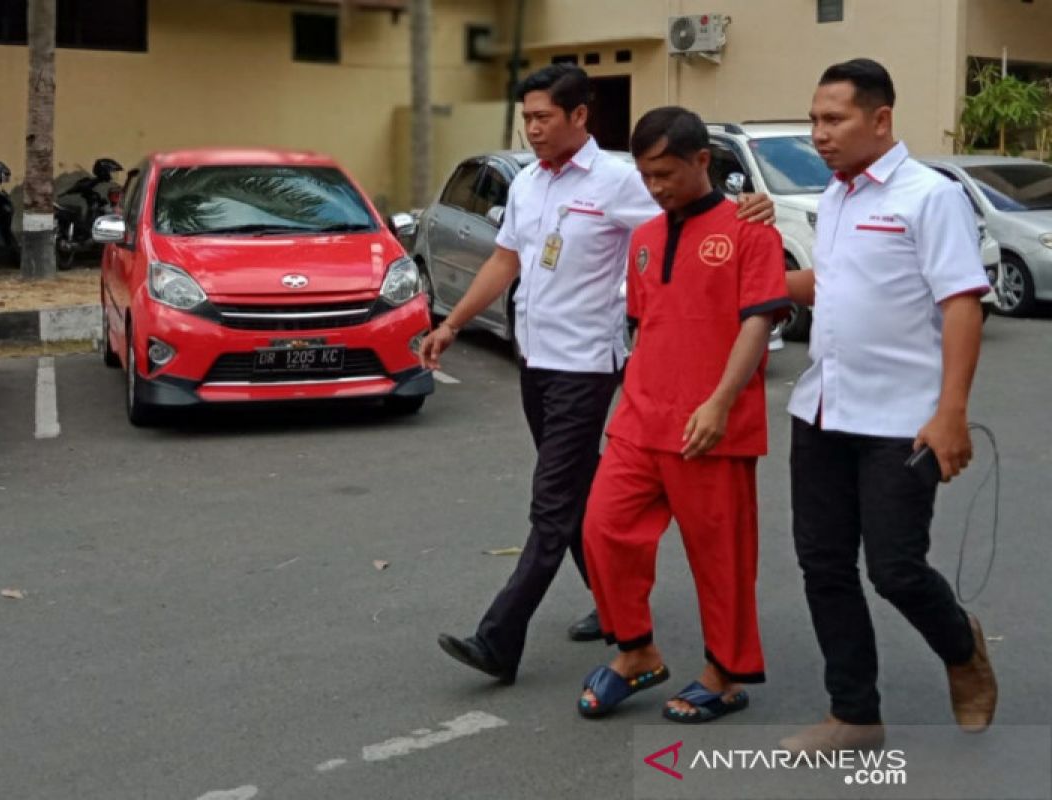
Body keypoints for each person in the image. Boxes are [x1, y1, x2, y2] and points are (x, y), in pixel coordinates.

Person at [422, 64, 774, 685]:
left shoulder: (621, 181)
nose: (532, 129)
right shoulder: (528, 184)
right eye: (525, 118)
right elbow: (507, 260)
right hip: (535, 358)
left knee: (553, 503)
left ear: (579, 116)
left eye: (543, 117)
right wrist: (452, 323)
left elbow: (692, 213)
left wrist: (749, 208)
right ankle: (615, 611)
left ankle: (500, 635)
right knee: (583, 496)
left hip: (588, 363)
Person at [781, 59, 998, 754]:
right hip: (822, 410)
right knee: (824, 567)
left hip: (903, 419)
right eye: (814, 119)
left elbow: (962, 303)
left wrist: (951, 413)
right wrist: (747, 275)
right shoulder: (839, 197)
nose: (819, 134)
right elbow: (837, 285)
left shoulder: (928, 196)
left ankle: (961, 646)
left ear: (881, 120)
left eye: (834, 119)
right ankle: (855, 713)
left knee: (896, 567)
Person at [576, 106, 789, 721]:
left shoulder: (752, 230)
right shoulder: (643, 239)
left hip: (713, 425)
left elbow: (759, 320)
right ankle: (637, 651)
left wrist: (720, 402)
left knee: (721, 557)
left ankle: (725, 674)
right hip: (641, 419)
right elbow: (650, 328)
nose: (657, 188)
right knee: (602, 530)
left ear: (702, 160)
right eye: (646, 176)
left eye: (667, 173)